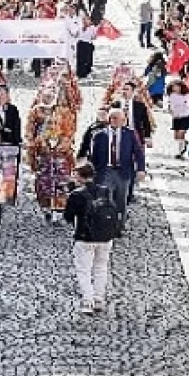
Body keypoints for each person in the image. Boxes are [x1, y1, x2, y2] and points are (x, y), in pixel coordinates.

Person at [63, 164, 120, 316]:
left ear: (80, 177)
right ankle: (99, 299)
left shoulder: (77, 194)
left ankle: (88, 302)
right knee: (101, 268)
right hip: (106, 237)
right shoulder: (105, 191)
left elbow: (68, 216)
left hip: (85, 237)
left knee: (84, 270)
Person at [86, 108, 145, 228]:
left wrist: (141, 169)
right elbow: (93, 155)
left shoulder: (129, 134)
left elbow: (138, 152)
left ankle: (119, 225)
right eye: (113, 118)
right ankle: (105, 223)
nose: (117, 121)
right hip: (105, 171)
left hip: (123, 171)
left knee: (121, 200)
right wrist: (91, 173)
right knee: (105, 198)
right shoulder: (99, 135)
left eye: (120, 119)